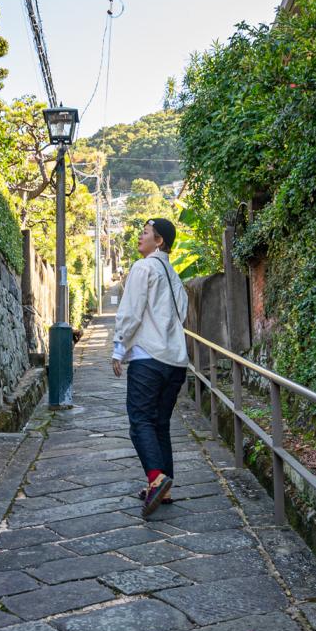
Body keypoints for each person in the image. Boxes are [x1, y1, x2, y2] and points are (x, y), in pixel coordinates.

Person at [111, 217, 189, 516]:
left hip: (148, 358)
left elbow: (131, 311)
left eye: (145, 233)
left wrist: (119, 348)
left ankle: (156, 478)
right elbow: (181, 316)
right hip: (175, 361)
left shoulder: (143, 268)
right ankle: (163, 488)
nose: (139, 237)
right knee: (160, 424)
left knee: (140, 421)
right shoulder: (174, 275)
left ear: (159, 241)